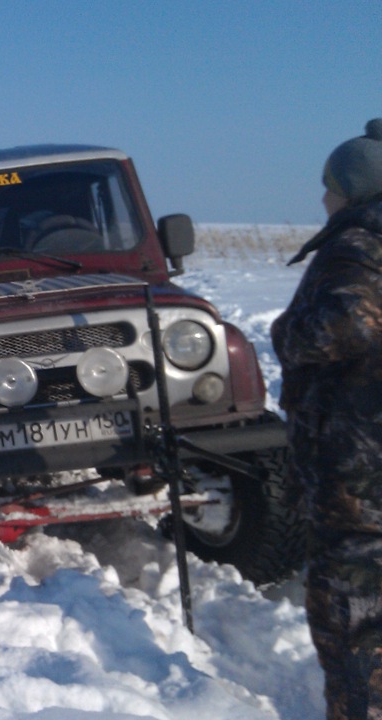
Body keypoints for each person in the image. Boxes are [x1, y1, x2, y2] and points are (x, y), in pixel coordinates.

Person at [271, 118, 382, 719]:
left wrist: (287, 333)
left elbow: (348, 324)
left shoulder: (360, 243)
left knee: (355, 629)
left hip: (359, 481)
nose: (323, 197)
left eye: (330, 185)